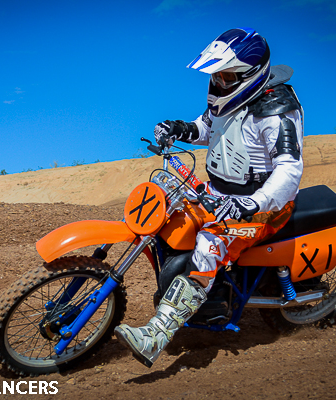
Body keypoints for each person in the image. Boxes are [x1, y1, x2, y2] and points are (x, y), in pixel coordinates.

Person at [114, 27, 304, 368]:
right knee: (170, 219)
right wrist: (178, 129)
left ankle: (156, 335)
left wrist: (253, 203)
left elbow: (289, 169)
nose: (219, 81)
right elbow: (207, 127)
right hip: (219, 192)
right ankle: (197, 290)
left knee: (209, 243)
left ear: (250, 74)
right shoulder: (229, 98)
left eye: (226, 75)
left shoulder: (276, 110)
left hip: (263, 208)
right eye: (216, 75)